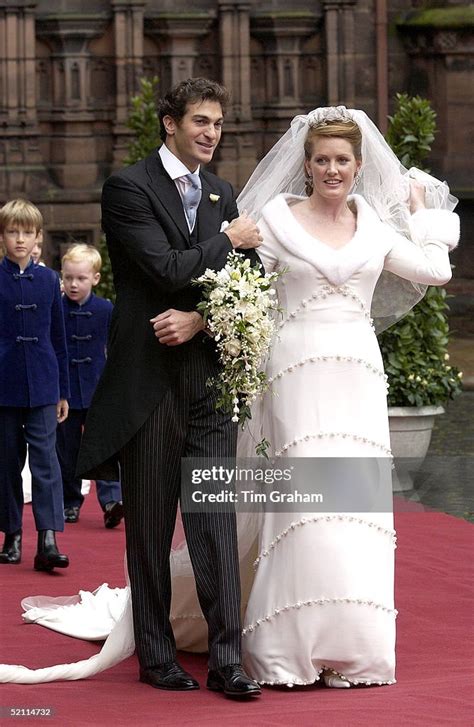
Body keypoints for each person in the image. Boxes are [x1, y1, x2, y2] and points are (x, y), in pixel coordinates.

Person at [0, 106, 459, 688]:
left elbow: (433, 271)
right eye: (322, 159)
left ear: (359, 165)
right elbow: (242, 286)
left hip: (358, 381)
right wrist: (196, 319)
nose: (332, 169)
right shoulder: (274, 218)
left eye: (343, 160)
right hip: (293, 376)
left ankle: (350, 648)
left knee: (353, 509)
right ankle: (286, 648)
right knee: (297, 508)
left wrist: (424, 217)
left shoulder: (374, 222)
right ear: (306, 164)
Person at [75, 77, 262, 696]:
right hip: (148, 384)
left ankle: (228, 659)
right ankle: (156, 655)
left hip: (211, 382)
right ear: (170, 124)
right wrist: (229, 240)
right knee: (151, 527)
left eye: (217, 123)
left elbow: (251, 285)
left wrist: (201, 318)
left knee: (214, 521)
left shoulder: (221, 190)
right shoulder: (128, 188)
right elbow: (164, 267)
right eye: (201, 121)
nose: (212, 133)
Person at [0, 198, 70, 571]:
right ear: (3, 237)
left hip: (43, 383)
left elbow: (59, 338)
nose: (21, 239)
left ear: (38, 236)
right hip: (4, 384)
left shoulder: (49, 280)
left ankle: (48, 538)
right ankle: (11, 533)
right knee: (7, 463)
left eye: (27, 232)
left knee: (46, 462)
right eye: (13, 232)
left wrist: (63, 392)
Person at [57, 243, 123, 528]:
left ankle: (111, 502)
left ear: (95, 278)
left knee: (104, 448)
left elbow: (115, 348)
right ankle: (70, 502)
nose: (73, 284)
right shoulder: (55, 307)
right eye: (68, 277)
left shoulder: (105, 309)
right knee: (67, 450)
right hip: (66, 393)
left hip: (97, 388)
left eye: (81, 278)